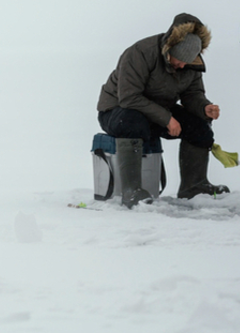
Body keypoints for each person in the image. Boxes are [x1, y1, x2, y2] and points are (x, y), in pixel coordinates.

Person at [97, 13, 229, 208]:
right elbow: (129, 98)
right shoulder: (140, 53)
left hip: (157, 111)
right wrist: (167, 119)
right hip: (117, 110)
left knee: (199, 127)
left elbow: (192, 94)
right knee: (132, 122)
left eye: (187, 62)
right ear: (169, 49)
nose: (182, 65)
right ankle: (131, 192)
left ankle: (194, 187)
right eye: (179, 60)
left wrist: (204, 107)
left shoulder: (190, 64)